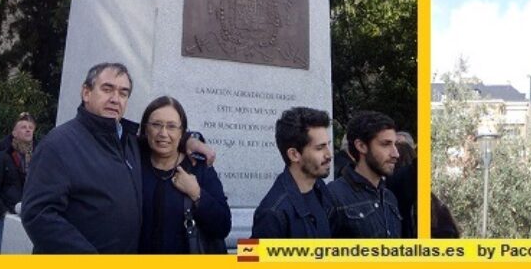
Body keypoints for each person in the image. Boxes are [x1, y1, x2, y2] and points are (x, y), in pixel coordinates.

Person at [20, 62, 213, 253]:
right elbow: (38, 214)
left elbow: (163, 136)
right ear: (86, 93)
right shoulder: (58, 145)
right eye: (107, 89)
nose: (115, 99)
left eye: (123, 93)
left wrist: (190, 140)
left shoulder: (129, 141)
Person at [138, 95, 231, 253]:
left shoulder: (198, 168)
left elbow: (223, 226)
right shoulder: (134, 161)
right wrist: (191, 140)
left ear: (182, 132)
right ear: (146, 128)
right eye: (156, 125)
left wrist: (197, 194)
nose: (163, 133)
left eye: (172, 126)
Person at [251, 107, 337, 238]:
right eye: (320, 148)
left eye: (328, 145)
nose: (329, 155)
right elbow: (249, 258)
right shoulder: (271, 213)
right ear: (294, 154)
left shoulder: (320, 188)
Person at [329, 111, 402, 238]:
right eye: (386, 144)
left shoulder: (389, 197)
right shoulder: (332, 196)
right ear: (361, 146)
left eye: (395, 144)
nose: (396, 154)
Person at [0, 112, 35, 253]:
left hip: (30, 215)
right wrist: (3, 213)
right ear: (14, 133)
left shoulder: (39, 157)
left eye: (31, 127)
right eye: (23, 127)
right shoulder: (2, 157)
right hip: (6, 216)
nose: (28, 129)